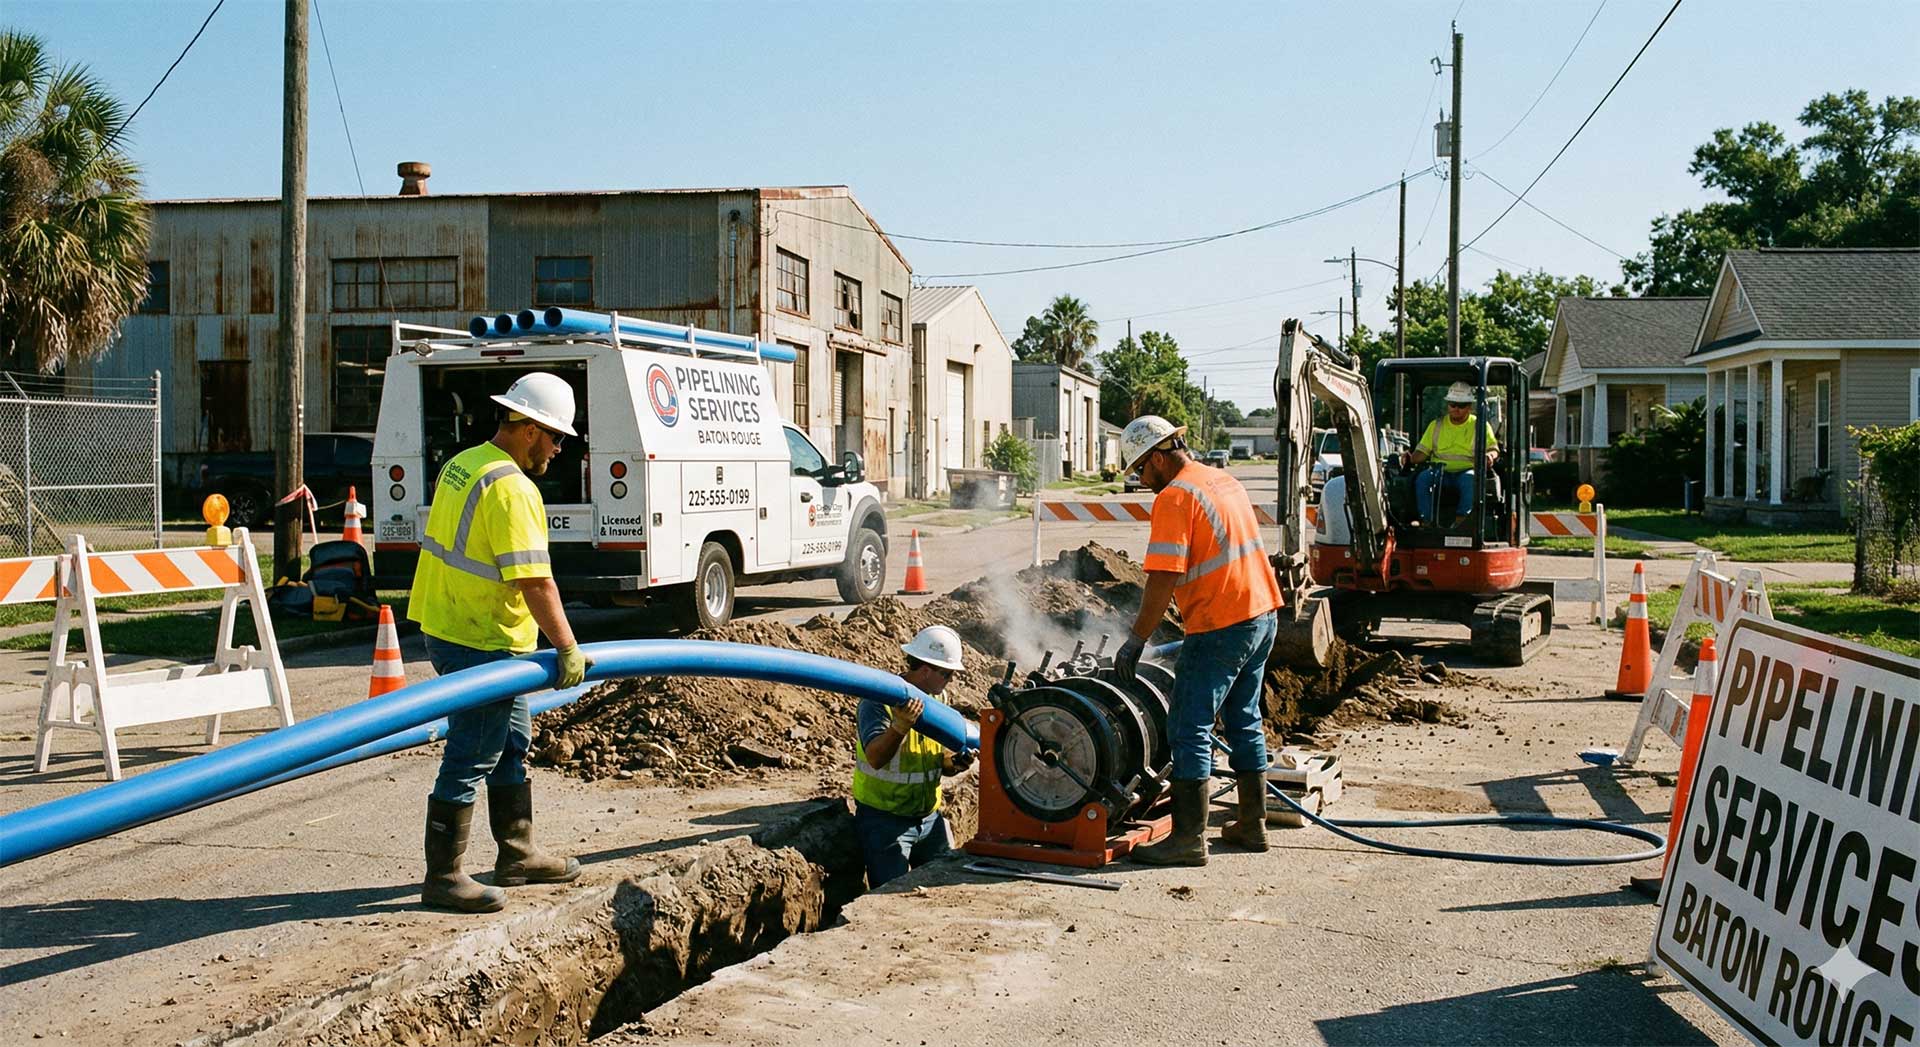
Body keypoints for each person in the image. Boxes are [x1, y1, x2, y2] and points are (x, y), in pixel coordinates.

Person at [410, 372, 593, 913]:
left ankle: (517, 854)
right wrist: (566, 647)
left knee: (512, 740)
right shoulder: (512, 487)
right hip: (479, 638)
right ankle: (443, 876)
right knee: (476, 748)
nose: (560, 449)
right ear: (530, 430)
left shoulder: (465, 462)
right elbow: (534, 580)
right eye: (557, 437)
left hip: (450, 625)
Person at [1113, 415, 1281, 867]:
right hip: (1262, 613)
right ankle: (1253, 825)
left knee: (1189, 726)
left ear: (1159, 457)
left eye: (1141, 470)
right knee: (1244, 719)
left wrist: (1135, 640)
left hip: (1221, 623)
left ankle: (1187, 840)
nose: (1142, 481)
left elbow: (1163, 575)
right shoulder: (1223, 481)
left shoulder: (1175, 496)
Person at [852, 625, 976, 887]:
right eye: (947, 674)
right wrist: (899, 727)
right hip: (885, 821)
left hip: (929, 817)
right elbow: (875, 757)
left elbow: (934, 757)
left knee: (945, 888)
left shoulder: (938, 698)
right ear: (926, 669)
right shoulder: (878, 700)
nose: (950, 680)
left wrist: (951, 764)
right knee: (890, 897)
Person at [1408, 381, 1500, 528]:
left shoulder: (1480, 425)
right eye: (1453, 404)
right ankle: (1427, 521)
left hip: (1467, 470)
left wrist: (1490, 456)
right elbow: (1422, 452)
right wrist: (1410, 458)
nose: (1456, 409)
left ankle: (1461, 521)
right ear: (1448, 404)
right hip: (1439, 471)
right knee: (1423, 479)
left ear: (1469, 407)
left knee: (1470, 480)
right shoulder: (1436, 425)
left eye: (1461, 405)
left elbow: (1493, 449)